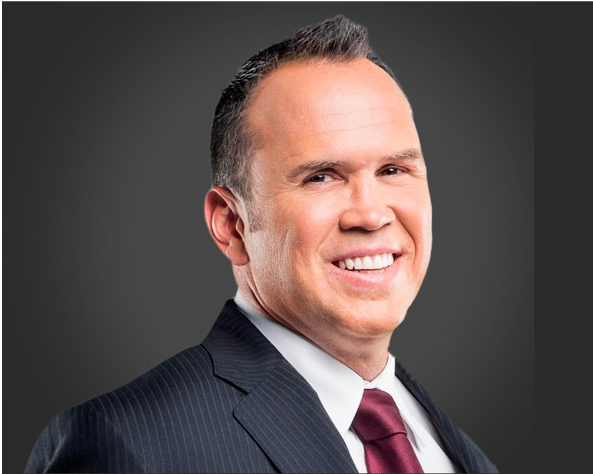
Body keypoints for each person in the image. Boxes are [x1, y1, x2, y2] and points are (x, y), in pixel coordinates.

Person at [25, 15, 498, 473]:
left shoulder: (453, 450)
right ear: (232, 225)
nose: (371, 215)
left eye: (393, 170)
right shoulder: (128, 443)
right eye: (321, 177)